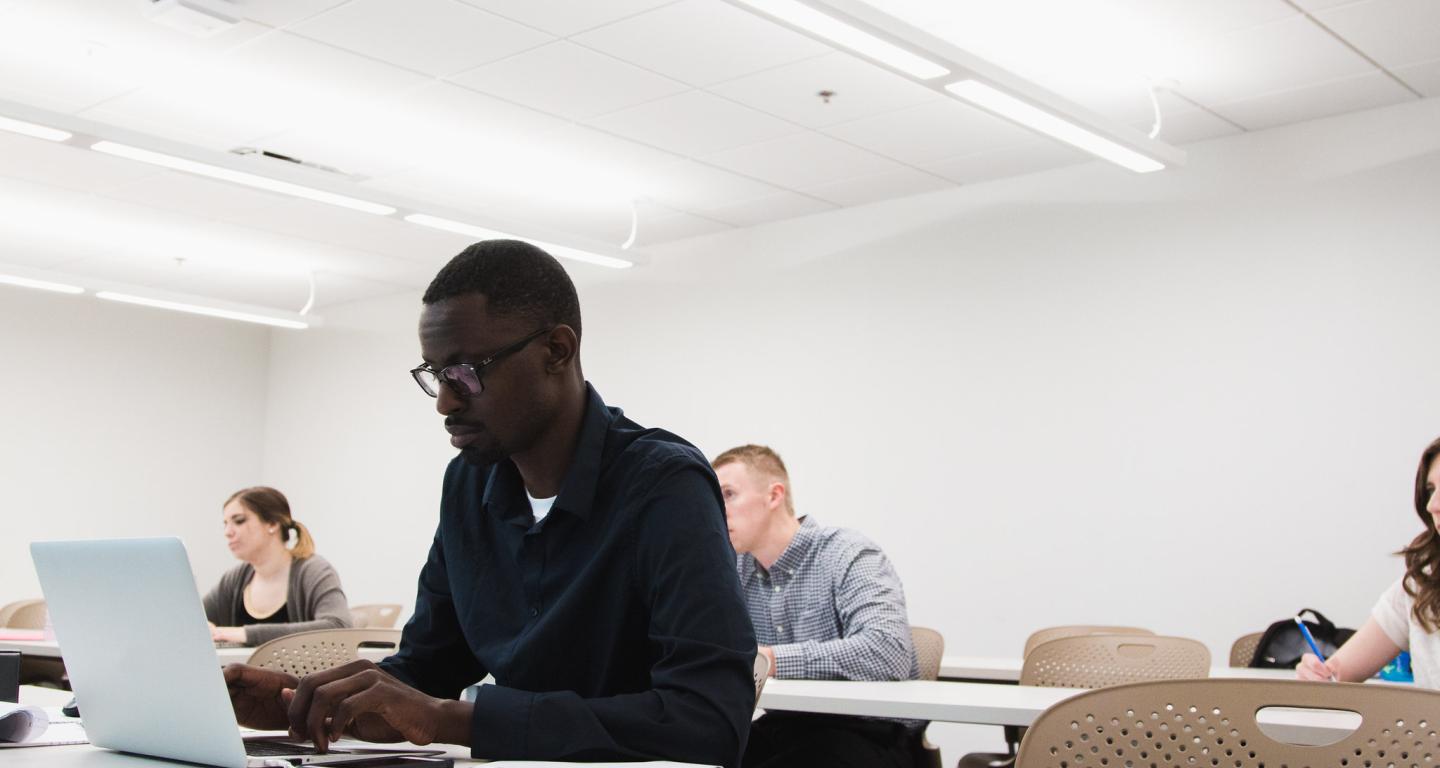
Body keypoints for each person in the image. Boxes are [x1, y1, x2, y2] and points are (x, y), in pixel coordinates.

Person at [222, 240, 757, 767]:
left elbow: (708, 721)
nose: (445, 402)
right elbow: (428, 670)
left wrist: (452, 720)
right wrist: (305, 703)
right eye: (435, 374)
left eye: (466, 371)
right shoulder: (468, 486)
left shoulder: (664, 485)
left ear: (556, 350)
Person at [712, 444, 921, 768]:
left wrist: (772, 659)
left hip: (868, 733)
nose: (717, 508)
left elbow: (888, 652)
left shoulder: (848, 554)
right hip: (791, 727)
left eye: (728, 494)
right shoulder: (737, 571)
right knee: (701, 756)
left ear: (774, 496)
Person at [1299, 436, 1440, 687]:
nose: (1432, 505)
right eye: (1431, 490)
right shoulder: (1421, 586)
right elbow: (1337, 676)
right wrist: (1317, 674)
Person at [204, 486, 352, 646]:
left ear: (272, 523)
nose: (227, 532)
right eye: (225, 524)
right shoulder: (235, 578)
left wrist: (242, 634)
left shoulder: (314, 570)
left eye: (239, 521)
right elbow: (190, 617)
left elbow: (339, 627)